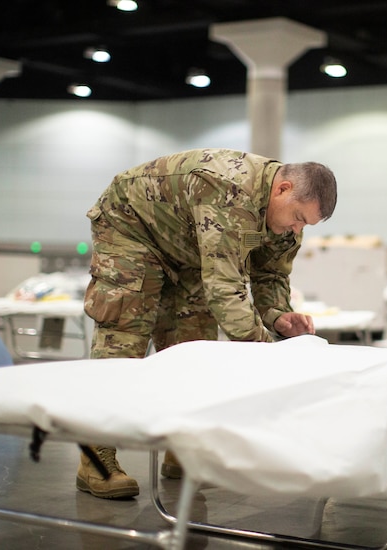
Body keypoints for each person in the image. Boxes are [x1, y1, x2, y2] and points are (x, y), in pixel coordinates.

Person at [77, 148, 338, 499]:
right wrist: (266, 350)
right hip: (132, 228)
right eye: (298, 218)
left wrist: (278, 317)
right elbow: (226, 289)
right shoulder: (229, 191)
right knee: (125, 336)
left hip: (186, 246)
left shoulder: (287, 218)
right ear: (283, 189)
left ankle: (182, 449)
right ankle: (96, 459)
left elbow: (270, 273)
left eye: (305, 224)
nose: (297, 228)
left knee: (193, 346)